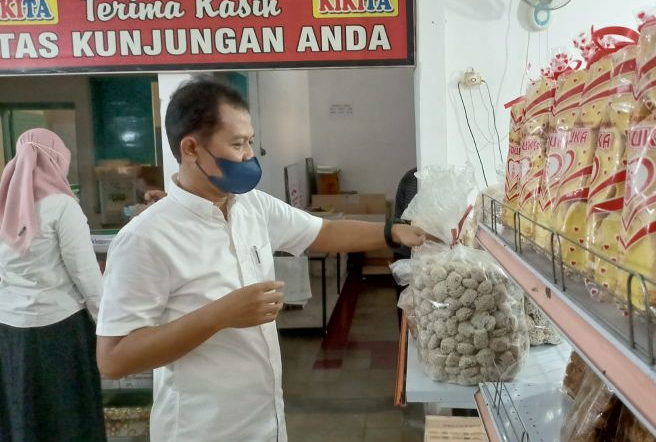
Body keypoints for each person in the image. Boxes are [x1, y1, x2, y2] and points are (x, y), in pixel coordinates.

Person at [95, 76, 427, 442]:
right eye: (237, 144)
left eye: (250, 141)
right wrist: (219, 315)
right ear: (191, 148)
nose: (249, 155)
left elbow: (323, 231)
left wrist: (393, 232)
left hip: (266, 423)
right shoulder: (145, 238)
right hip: (202, 430)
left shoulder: (251, 206)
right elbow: (114, 359)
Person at [0, 129, 106, 442]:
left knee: (22, 412)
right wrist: (108, 325)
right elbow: (86, 275)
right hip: (61, 330)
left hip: (8, 331)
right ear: (57, 160)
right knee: (67, 417)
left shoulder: (3, 204)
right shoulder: (62, 206)